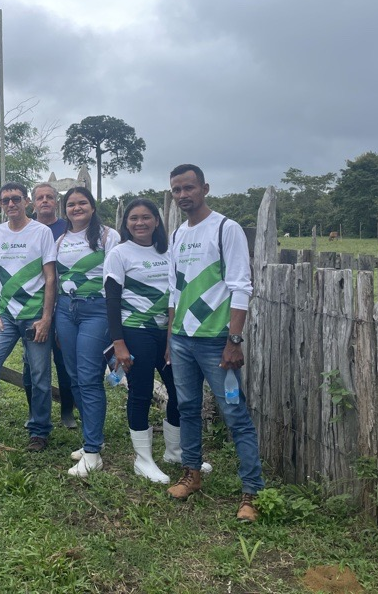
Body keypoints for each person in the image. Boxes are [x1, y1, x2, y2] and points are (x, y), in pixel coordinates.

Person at [165, 164, 262, 522]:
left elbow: (240, 286)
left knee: (235, 414)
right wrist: (170, 337)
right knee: (188, 408)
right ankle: (191, 474)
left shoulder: (225, 228)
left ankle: (252, 491)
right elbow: (175, 289)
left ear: (204, 188)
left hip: (217, 341)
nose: (182, 195)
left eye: (188, 188)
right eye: (176, 190)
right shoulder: (178, 235)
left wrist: (234, 340)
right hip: (182, 340)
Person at [104, 197, 213, 483]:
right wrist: (119, 343)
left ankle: (174, 452)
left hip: (169, 333)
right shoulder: (119, 253)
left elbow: (177, 295)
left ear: (156, 221)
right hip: (134, 332)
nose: (140, 223)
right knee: (139, 393)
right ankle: (144, 460)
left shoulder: (170, 251)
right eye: (133, 218)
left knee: (179, 393)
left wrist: (170, 339)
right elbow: (112, 301)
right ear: (126, 223)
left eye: (146, 217)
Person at [0, 182, 57, 454]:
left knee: (39, 376)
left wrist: (46, 317)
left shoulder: (41, 233)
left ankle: (39, 432)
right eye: (5, 200)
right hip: (4, 316)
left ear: (27, 201)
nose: (11, 204)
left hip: (35, 316)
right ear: (0, 204)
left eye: (16, 199)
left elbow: (50, 277)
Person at [54, 186, 118, 477]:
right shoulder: (60, 240)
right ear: (64, 209)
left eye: (82, 203)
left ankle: (92, 453)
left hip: (97, 310)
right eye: (71, 204)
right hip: (66, 310)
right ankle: (94, 438)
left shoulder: (108, 236)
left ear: (92, 207)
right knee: (75, 376)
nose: (76, 208)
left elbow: (118, 278)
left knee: (90, 376)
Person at [26, 182, 76, 429]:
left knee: (63, 359)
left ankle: (67, 411)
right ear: (33, 202)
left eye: (49, 197)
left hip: (64, 304)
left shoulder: (68, 229)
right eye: (40, 197)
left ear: (56, 201)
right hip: (33, 306)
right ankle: (33, 411)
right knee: (31, 362)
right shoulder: (26, 229)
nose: (44, 201)